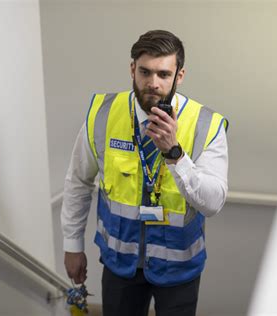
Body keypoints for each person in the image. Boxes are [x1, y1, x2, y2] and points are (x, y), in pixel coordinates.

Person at [61, 30, 229, 316]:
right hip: (119, 263)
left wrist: (174, 154)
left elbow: (213, 203)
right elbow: (78, 181)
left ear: (180, 76)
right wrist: (72, 244)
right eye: (145, 72)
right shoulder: (103, 114)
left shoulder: (206, 124)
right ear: (132, 69)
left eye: (164, 74)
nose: (153, 83)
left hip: (178, 267)